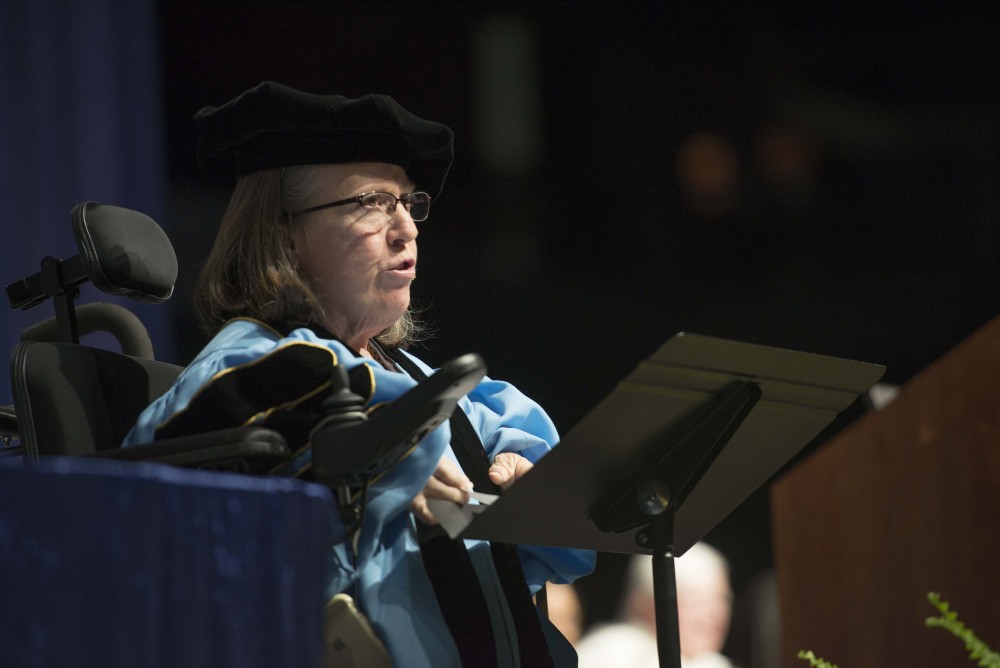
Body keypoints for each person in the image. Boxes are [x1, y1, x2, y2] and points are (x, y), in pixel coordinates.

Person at [123, 81, 595, 666]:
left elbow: (566, 533)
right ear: (284, 233)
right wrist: (381, 451)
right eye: (369, 202)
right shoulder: (246, 367)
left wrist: (531, 493)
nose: (407, 229)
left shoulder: (434, 383)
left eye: (407, 201)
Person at [576, 542, 734, 668]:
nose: (713, 613)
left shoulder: (714, 663)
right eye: (695, 599)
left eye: (722, 599)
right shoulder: (610, 653)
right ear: (644, 600)